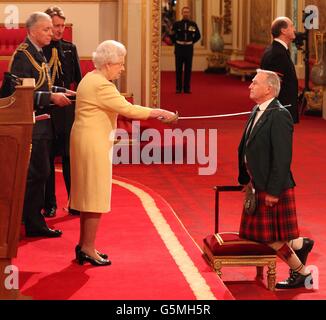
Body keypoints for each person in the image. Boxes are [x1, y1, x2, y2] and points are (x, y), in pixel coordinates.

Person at [69, 40, 178, 266]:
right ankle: (88, 248)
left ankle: (85, 246)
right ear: (109, 64)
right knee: (95, 196)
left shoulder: (91, 78)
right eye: (120, 63)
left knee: (88, 195)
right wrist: (160, 112)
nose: (123, 68)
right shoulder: (102, 85)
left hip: (85, 139)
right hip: (93, 143)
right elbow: (128, 109)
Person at [238, 69, 314, 289]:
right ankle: (300, 243)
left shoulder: (280, 115)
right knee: (256, 234)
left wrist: (272, 191)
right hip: (257, 183)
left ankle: (302, 273)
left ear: (269, 88)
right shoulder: (257, 110)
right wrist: (246, 179)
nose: (250, 85)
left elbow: (282, 158)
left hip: (273, 186)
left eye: (254, 82)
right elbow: (247, 146)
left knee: (270, 237)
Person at [9, 12, 74, 237]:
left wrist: (60, 91)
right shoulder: (23, 55)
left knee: (41, 172)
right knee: (38, 173)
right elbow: (20, 94)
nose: (51, 33)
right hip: (32, 124)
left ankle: (28, 219)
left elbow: (41, 84)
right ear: (33, 30)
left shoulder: (37, 53)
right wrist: (51, 98)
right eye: (47, 29)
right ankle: (30, 221)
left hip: (43, 124)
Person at [42, 6, 82, 218]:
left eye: (62, 26)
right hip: (47, 109)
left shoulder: (69, 48)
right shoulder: (40, 49)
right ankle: (49, 204)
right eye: (55, 26)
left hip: (67, 109)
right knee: (47, 159)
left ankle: (74, 201)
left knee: (69, 158)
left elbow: (78, 80)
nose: (59, 30)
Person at [260, 17, 299, 123]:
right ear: (283, 30)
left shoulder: (276, 50)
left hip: (279, 110)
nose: (294, 29)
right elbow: (274, 87)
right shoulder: (278, 54)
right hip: (279, 111)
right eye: (291, 26)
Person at [170, 6, 201, 94]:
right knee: (178, 69)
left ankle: (187, 88)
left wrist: (191, 42)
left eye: (187, 12)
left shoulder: (193, 24)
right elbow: (171, 35)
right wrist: (175, 42)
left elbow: (198, 35)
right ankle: (178, 88)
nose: (186, 14)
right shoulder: (177, 24)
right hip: (179, 48)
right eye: (184, 12)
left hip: (188, 48)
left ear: (189, 14)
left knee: (188, 69)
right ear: (182, 13)